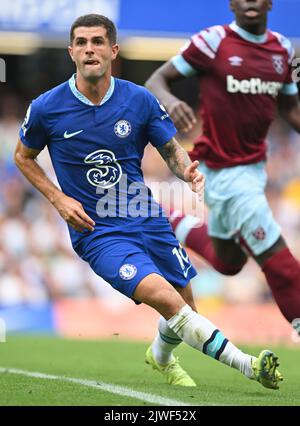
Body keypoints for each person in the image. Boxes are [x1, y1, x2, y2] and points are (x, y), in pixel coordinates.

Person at [15, 13, 282, 390]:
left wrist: (187, 171)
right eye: (81, 42)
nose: (89, 48)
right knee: (167, 300)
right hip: (98, 231)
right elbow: (22, 156)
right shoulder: (47, 107)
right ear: (71, 51)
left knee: (186, 305)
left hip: (146, 217)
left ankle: (159, 356)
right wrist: (58, 199)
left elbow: (171, 150)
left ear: (113, 50)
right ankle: (250, 366)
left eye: (97, 41)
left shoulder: (139, 99)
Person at [145, 0, 300, 329]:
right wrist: (171, 101)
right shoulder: (212, 41)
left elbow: (291, 108)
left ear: (270, 2)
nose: (251, 3)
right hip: (221, 172)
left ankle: (171, 220)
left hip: (254, 169)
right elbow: (156, 81)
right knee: (280, 262)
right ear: (232, 4)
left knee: (230, 262)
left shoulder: (285, 50)